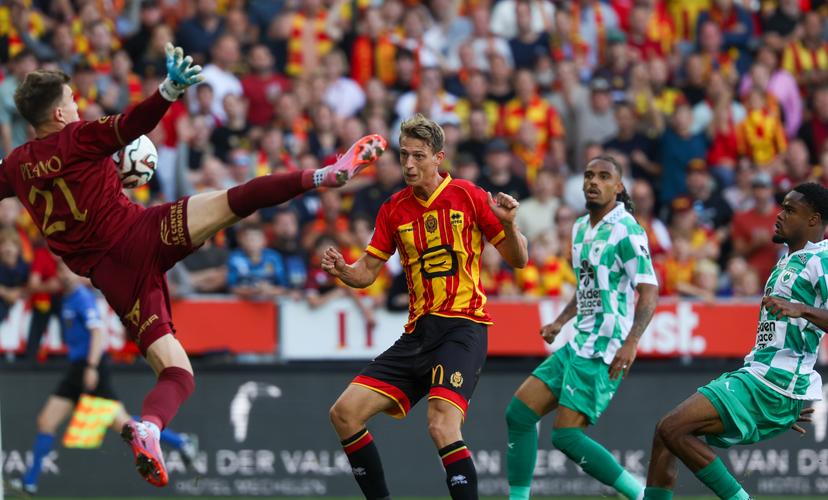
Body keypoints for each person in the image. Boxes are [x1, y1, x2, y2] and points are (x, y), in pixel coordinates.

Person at [1, 43, 387, 487]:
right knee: (235, 200)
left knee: (177, 371)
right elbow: (134, 124)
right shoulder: (77, 136)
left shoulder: (15, 167)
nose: (76, 103)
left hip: (112, 278)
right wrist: (168, 91)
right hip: (142, 233)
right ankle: (324, 175)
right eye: (71, 99)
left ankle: (150, 426)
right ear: (60, 115)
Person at [321, 113, 528, 499]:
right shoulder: (393, 209)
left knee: (441, 425)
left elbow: (519, 260)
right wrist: (343, 271)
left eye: (418, 156)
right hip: (417, 334)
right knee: (344, 413)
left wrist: (511, 225)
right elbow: (367, 272)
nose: (410, 165)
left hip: (462, 328)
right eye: (404, 156)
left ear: (438, 157)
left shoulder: (468, 195)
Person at [642, 183, 828, 500]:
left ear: (814, 220)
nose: (779, 215)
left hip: (773, 382)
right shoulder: (788, 259)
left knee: (672, 428)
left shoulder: (821, 259)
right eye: (781, 207)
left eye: (789, 210)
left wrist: (802, 309)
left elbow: (804, 317)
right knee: (666, 434)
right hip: (767, 381)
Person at [505, 156, 659, 500]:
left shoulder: (627, 229)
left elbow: (649, 289)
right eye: (589, 175)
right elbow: (588, 287)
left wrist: (632, 342)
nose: (593, 181)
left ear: (618, 187)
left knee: (565, 436)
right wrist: (560, 322)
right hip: (578, 341)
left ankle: (638, 494)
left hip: (607, 345)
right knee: (519, 413)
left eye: (604, 177)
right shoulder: (579, 228)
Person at [10, 260, 198, 495]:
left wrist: (91, 367)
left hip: (90, 367)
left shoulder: (81, 297)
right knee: (47, 422)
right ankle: (30, 482)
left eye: (69, 270)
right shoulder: (66, 298)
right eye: (60, 271)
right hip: (76, 370)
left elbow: (97, 333)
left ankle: (180, 442)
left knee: (123, 424)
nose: (65, 275)